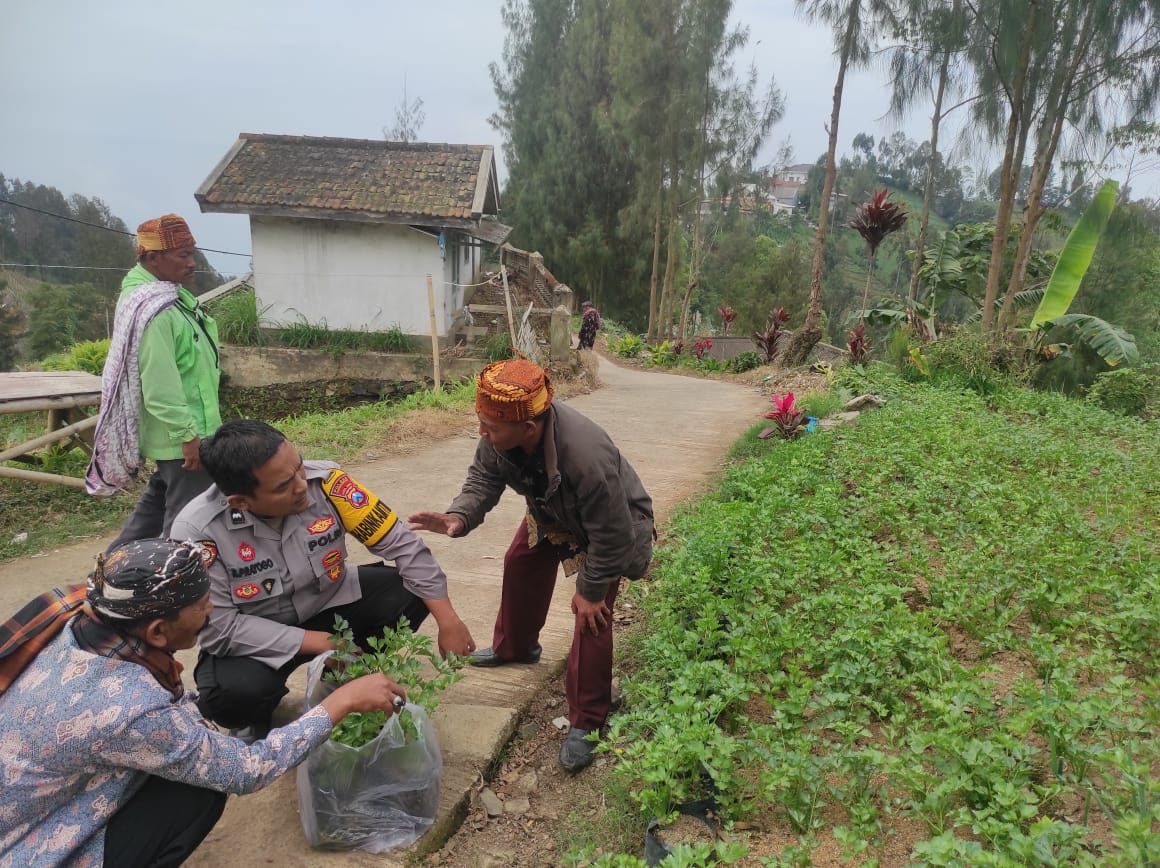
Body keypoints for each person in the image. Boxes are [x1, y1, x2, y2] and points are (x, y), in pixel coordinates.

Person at [0, 539, 407, 867]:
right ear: (158, 631)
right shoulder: (129, 707)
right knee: (196, 795)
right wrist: (340, 703)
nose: (211, 608)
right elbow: (246, 771)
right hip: (22, 846)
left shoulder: (74, 613)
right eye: (201, 605)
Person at [408, 359, 654, 772]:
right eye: (481, 423)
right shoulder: (500, 430)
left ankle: (588, 721)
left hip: (612, 529)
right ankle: (517, 648)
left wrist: (590, 590)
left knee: (591, 616)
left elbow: (613, 534)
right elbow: (483, 478)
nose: (482, 433)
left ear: (530, 426)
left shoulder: (585, 455)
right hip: (553, 513)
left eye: (491, 428)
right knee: (520, 563)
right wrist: (460, 515)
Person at [170, 419, 476, 740]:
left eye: (299, 469)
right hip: (260, 633)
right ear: (241, 502)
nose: (302, 485)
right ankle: (260, 713)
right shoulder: (197, 532)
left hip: (329, 602)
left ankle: (340, 682)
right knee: (232, 698)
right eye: (283, 485)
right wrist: (324, 642)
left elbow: (403, 544)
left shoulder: (329, 484)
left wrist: (449, 620)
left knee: (408, 592)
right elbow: (219, 628)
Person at [87, 213, 222, 549]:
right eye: (182, 256)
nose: (192, 263)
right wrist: (187, 436)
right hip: (183, 434)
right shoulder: (156, 310)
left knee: (154, 512)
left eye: (192, 253)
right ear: (152, 258)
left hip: (187, 431)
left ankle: (112, 569)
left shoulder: (167, 297)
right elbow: (160, 382)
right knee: (188, 521)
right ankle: (171, 584)